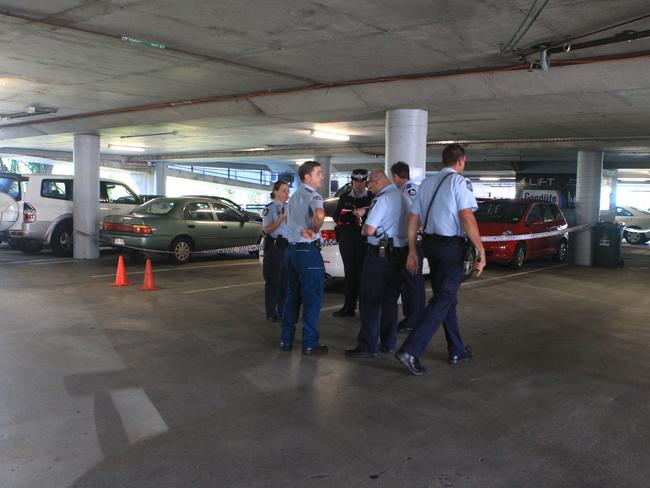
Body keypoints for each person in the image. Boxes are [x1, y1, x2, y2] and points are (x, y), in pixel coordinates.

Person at [395, 144, 486, 376]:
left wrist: (413, 250)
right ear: (461, 161)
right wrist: (481, 250)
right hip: (450, 248)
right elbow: (466, 217)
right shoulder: (459, 182)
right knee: (443, 298)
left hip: (430, 245)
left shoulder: (426, 183)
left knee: (447, 300)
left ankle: (456, 349)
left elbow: (413, 219)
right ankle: (410, 350)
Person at [345, 170, 408, 358]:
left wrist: (365, 226)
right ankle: (388, 343)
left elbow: (368, 229)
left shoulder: (383, 199)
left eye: (370, 183)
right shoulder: (403, 196)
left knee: (370, 301)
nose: (367, 186)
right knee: (389, 301)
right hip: (398, 254)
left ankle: (367, 345)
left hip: (379, 256)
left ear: (379, 181)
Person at [279, 161, 328, 356]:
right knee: (312, 299)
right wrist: (314, 229)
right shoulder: (314, 195)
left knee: (292, 297)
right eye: (318, 173)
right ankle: (309, 344)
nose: (322, 177)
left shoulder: (293, 197)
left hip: (291, 252)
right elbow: (320, 214)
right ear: (307, 177)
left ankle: (286, 340)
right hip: (307, 252)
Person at [332, 169, 373, 317]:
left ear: (366, 183)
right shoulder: (344, 197)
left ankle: (364, 309)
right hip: (347, 239)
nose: (359, 185)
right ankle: (348, 307)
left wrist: (365, 212)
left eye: (362, 182)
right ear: (352, 182)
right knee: (349, 274)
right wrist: (350, 216)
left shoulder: (372, 197)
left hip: (365, 241)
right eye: (356, 181)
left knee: (363, 275)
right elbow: (336, 216)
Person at [390, 161, 425, 334]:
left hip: (412, 242)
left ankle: (413, 319)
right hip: (412, 241)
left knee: (412, 281)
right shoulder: (411, 189)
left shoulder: (409, 190)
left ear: (396, 176)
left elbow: (415, 216)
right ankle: (414, 317)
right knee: (412, 281)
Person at [262, 180, 289, 322]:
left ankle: (283, 310)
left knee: (285, 281)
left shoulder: (289, 207)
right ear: (276, 192)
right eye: (283, 190)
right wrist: (280, 219)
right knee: (273, 281)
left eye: (287, 190)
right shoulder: (270, 209)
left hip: (286, 247)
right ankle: (271, 312)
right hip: (274, 248)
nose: (286, 193)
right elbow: (267, 229)